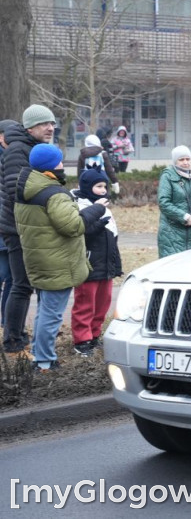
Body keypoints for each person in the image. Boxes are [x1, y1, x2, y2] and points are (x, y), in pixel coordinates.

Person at [14, 144, 107, 371]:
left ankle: (40, 355)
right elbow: (73, 226)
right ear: (50, 166)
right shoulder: (54, 194)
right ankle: (45, 362)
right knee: (52, 314)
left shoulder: (28, 188)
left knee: (44, 310)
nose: (62, 164)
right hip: (58, 262)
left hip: (40, 258)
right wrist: (96, 209)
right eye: (59, 161)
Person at [2, 104, 58, 359]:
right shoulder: (18, 150)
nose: (50, 128)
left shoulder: (32, 148)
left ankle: (21, 333)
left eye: (52, 123)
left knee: (24, 283)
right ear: (30, 127)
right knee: (21, 284)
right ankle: (13, 339)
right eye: (45, 124)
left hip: (29, 226)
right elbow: (17, 188)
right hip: (17, 228)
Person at [71, 168, 122, 357]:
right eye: (98, 186)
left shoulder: (104, 206)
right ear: (87, 187)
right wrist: (97, 222)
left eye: (104, 186)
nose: (103, 190)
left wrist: (115, 263)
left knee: (103, 302)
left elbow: (113, 237)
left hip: (105, 264)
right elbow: (81, 230)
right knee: (85, 303)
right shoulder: (80, 206)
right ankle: (81, 340)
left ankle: (94, 335)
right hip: (89, 264)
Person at [157, 146, 191, 258]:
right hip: (172, 233)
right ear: (175, 161)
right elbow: (164, 203)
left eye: (187, 159)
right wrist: (185, 217)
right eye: (181, 160)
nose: (185, 162)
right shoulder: (168, 176)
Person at [0, 120, 16, 325]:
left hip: (11, 229)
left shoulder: (14, 158)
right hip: (4, 228)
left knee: (13, 277)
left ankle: (6, 320)